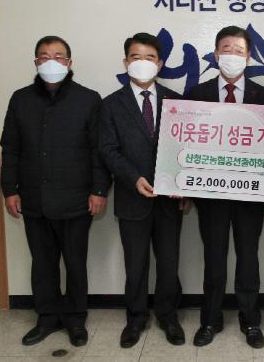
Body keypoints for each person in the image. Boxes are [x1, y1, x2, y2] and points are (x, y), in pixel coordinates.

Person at [0, 35, 111, 347]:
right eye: (44, 56)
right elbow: (10, 148)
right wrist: (9, 190)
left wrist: (99, 190)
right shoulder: (20, 99)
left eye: (59, 56)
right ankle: (47, 317)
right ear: (35, 62)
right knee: (43, 263)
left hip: (77, 199)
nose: (52, 61)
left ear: (70, 62)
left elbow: (98, 151)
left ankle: (75, 319)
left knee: (75, 262)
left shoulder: (89, 99)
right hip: (34, 198)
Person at [186, 25, 264, 349]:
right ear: (215, 54)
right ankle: (210, 319)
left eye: (239, 51)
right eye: (226, 49)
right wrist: (183, 184)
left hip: (250, 195)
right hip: (211, 195)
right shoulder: (197, 94)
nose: (232, 55)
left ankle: (250, 321)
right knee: (214, 259)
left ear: (248, 57)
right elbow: (185, 144)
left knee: (248, 259)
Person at [99, 33, 185, 348]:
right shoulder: (111, 104)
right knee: (135, 265)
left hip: (169, 200)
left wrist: (184, 187)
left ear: (160, 64)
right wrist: (133, 178)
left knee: (169, 263)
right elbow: (108, 150)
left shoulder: (177, 102)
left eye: (150, 57)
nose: (143, 63)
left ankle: (168, 316)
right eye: (136, 57)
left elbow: (187, 148)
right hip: (131, 197)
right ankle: (135, 319)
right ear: (126, 62)